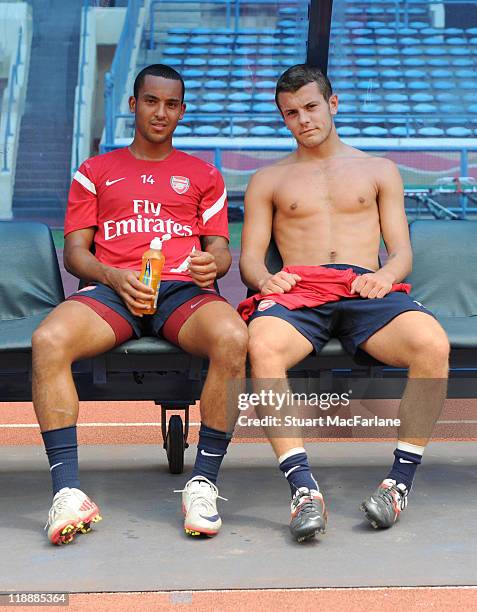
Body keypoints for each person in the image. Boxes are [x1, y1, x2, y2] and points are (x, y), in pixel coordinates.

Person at [32, 64, 248, 545]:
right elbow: (75, 253)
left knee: (234, 337)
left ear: (182, 111)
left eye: (172, 105)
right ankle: (67, 492)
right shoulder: (95, 171)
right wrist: (114, 276)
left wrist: (211, 265)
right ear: (133, 104)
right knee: (48, 340)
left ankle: (204, 483)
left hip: (179, 290)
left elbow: (220, 249)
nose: (160, 112)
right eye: (151, 101)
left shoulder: (204, 175)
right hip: (115, 288)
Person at [239, 64, 449, 542]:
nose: (303, 119)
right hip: (301, 290)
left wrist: (386, 276)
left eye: (311, 107)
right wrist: (266, 281)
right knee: (262, 345)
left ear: (332, 105)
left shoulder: (379, 170)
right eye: (291, 113)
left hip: (363, 288)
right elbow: (250, 259)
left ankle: (398, 485)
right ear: (283, 119)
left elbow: (401, 253)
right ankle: (302, 490)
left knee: (431, 344)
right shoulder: (267, 180)